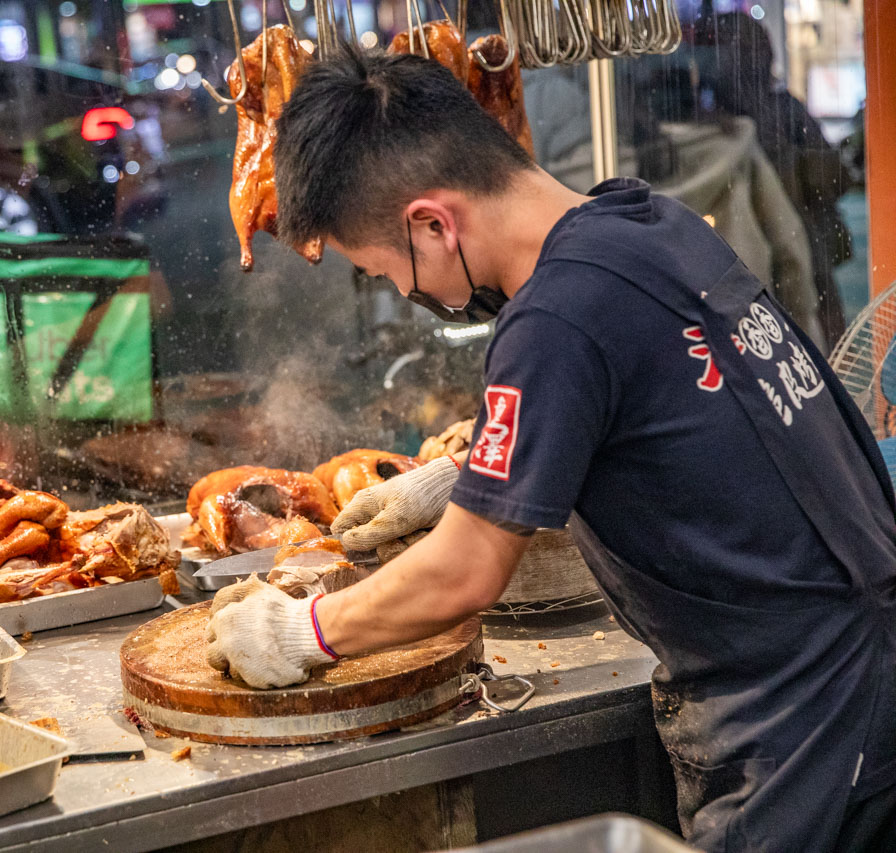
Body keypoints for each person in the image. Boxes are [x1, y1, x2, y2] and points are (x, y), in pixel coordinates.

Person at [204, 49, 896, 852]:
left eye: (383, 269)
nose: (403, 292)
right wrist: (466, 475)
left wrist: (302, 630)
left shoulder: (554, 317)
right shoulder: (646, 220)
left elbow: (465, 572)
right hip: (854, 664)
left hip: (804, 718)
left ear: (432, 224)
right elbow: (662, 406)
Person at [711, 12, 854, 347]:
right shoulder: (768, 112)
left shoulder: (720, 122)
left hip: (784, 252)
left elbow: (833, 177)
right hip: (780, 251)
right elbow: (836, 178)